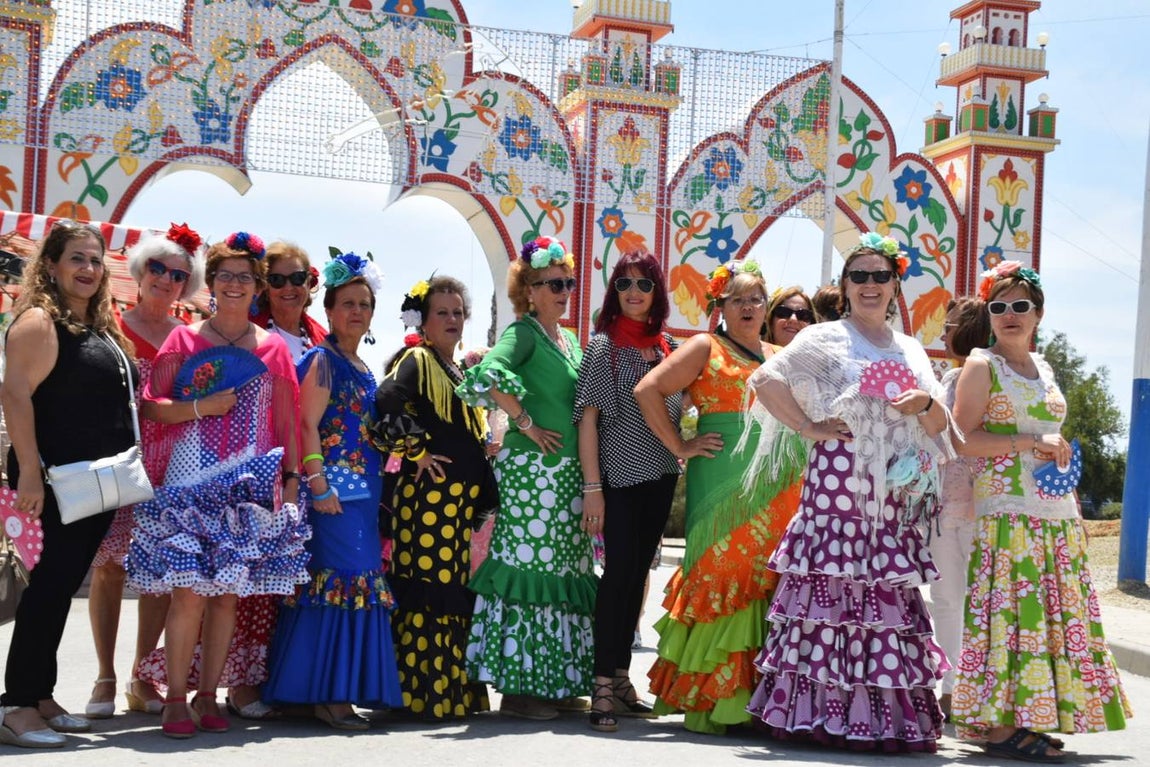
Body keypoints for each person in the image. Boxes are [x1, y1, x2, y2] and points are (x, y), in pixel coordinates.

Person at [743, 232, 953, 752]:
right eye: (858, 276)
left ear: (895, 286)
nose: (869, 284)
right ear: (844, 286)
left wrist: (923, 403)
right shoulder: (823, 339)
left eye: (880, 276)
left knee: (879, 595)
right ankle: (822, 716)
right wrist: (810, 426)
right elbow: (765, 381)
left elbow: (941, 423)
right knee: (829, 595)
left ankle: (878, 720)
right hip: (836, 481)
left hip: (892, 489)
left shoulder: (908, 347)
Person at [125, 231, 308, 739]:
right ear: (212, 283)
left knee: (227, 594)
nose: (233, 284)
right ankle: (177, 699)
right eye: (224, 275)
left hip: (246, 485)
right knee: (188, 594)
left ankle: (210, 696)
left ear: (258, 287)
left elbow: (288, 422)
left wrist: (290, 483)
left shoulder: (272, 350)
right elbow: (151, 406)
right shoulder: (183, 339)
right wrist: (202, 407)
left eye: (243, 277)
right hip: (189, 479)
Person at [950, 262, 1130, 762]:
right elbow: (962, 439)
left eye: (1020, 306)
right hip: (1007, 512)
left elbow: (1053, 444)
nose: (1009, 315)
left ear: (1038, 314)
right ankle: (1002, 728)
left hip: (1053, 512)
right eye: (999, 306)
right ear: (989, 314)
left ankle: (1029, 718)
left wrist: (1072, 503)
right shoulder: (982, 365)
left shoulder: (1044, 368)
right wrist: (1032, 440)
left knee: (1050, 616)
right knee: (1011, 616)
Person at [635, 259, 803, 735]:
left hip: (777, 480)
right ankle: (715, 701)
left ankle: (760, 706)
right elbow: (648, 389)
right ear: (720, 307)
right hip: (723, 478)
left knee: (766, 581)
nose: (748, 307)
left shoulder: (777, 353)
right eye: (738, 300)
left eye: (755, 299)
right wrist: (680, 445)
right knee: (722, 573)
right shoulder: (705, 346)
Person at [0, 220, 138, 747]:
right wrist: (30, 473)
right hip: (56, 479)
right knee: (49, 590)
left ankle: (39, 694)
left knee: (58, 591)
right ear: (52, 265)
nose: (88, 269)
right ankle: (16, 706)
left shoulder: (98, 325)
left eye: (95, 260)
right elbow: (15, 397)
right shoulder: (38, 321)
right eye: (77, 258)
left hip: (94, 481)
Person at [458, 236, 593, 722]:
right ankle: (518, 690)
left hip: (566, 479)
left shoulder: (569, 339)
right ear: (529, 291)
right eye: (552, 283)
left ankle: (553, 682)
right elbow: (485, 375)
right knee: (529, 572)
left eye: (568, 282)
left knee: (562, 574)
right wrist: (525, 422)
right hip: (531, 475)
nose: (563, 291)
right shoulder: (524, 333)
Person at [264, 252, 402, 729]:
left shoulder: (361, 364)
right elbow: (306, 424)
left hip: (362, 493)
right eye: (348, 303)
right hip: (333, 494)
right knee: (342, 581)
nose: (357, 311)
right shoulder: (322, 359)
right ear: (329, 310)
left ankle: (319, 690)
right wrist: (317, 483)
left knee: (348, 581)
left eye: (364, 304)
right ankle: (332, 695)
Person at [85, 224, 205, 720]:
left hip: (172, 463)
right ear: (139, 271)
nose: (166, 279)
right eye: (157, 267)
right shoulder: (109, 326)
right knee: (109, 567)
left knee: (160, 574)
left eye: (178, 273)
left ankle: (141, 675)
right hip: (118, 457)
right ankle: (104, 677)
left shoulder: (191, 336)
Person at [373, 275, 498, 720]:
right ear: (423, 321)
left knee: (449, 587)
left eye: (458, 312)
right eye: (442, 312)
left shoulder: (457, 369)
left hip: (456, 504)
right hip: (427, 501)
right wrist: (418, 451)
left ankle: (445, 693)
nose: (451, 319)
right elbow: (386, 396)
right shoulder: (419, 359)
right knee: (427, 590)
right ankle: (418, 695)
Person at [573, 251, 679, 733]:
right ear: (613, 292)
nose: (633, 292)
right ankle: (599, 684)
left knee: (637, 577)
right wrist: (593, 488)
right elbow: (588, 420)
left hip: (661, 476)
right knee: (616, 577)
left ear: (657, 291)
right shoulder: (603, 347)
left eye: (643, 283)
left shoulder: (670, 348)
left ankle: (619, 677)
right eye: (623, 284)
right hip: (617, 479)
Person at [928, 296, 990, 721]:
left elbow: (950, 437)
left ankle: (959, 689)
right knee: (958, 599)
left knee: (954, 599)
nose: (943, 334)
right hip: (969, 501)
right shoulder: (958, 376)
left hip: (964, 501)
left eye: (949, 325)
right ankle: (957, 689)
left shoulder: (966, 376)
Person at [252, 241, 327, 364]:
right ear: (266, 287)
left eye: (297, 278)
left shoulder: (324, 341)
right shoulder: (247, 333)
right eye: (277, 280)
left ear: (308, 283)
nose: (288, 287)